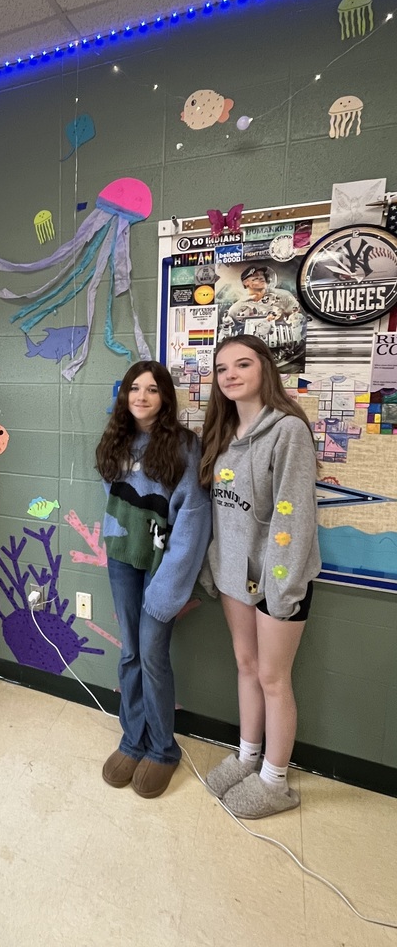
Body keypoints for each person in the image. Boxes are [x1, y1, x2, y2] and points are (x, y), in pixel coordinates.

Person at [199, 335, 321, 819]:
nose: (230, 375)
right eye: (222, 368)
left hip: (279, 578)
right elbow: (219, 513)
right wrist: (216, 566)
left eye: (242, 364)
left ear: (265, 368)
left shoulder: (288, 430)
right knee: (246, 666)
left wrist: (282, 588)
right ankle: (247, 756)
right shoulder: (221, 432)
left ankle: (275, 780)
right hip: (235, 574)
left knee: (273, 677)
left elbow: (295, 516)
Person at [96, 361, 211, 799]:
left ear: (165, 397)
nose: (141, 397)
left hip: (163, 568)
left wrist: (168, 589)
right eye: (134, 388)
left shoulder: (185, 446)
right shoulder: (117, 438)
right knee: (130, 652)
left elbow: (193, 519)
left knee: (152, 654)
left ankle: (163, 748)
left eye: (151, 389)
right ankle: (133, 739)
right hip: (123, 560)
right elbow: (113, 496)